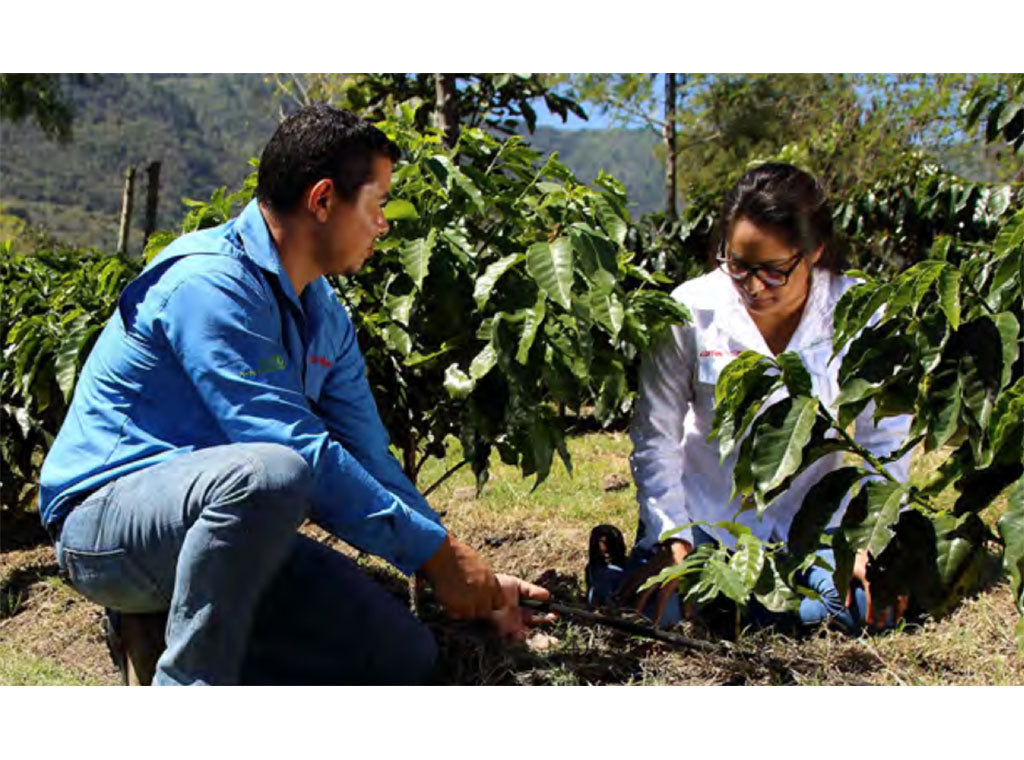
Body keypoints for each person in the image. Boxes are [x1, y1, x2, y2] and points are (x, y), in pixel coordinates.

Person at [38, 104, 551, 685]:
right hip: (108, 528)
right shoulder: (207, 284)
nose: (384, 224)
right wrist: (438, 556)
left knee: (402, 652)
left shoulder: (325, 315)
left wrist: (451, 563)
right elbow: (292, 448)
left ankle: (178, 638)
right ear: (324, 199)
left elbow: (370, 457)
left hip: (230, 526)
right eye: (377, 204)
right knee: (272, 472)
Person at [587, 163, 911, 633]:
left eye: (774, 271)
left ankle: (734, 610)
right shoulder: (691, 310)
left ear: (815, 252)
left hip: (815, 527)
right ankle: (616, 572)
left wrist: (868, 538)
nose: (752, 286)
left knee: (862, 609)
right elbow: (656, 434)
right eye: (737, 265)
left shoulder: (861, 315)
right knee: (663, 613)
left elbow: (885, 437)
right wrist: (669, 537)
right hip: (706, 519)